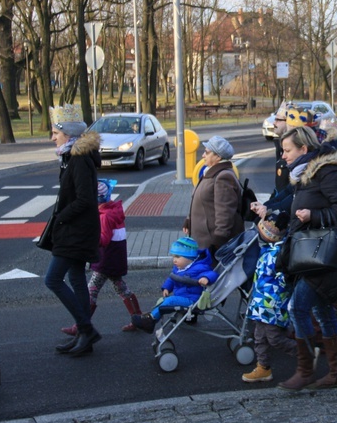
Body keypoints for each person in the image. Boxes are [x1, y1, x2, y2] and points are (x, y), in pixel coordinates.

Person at [277, 126, 337, 391]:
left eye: (287, 150)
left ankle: (305, 371)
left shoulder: (324, 171)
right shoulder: (303, 175)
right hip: (314, 255)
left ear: (303, 149)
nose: (283, 155)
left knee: (297, 308)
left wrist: (314, 217)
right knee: (322, 311)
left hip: (326, 255)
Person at [46, 104, 103, 357]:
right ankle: (84, 336)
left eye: (55, 133)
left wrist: (60, 218)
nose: (52, 138)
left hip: (76, 231)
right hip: (78, 229)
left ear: (67, 134)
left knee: (53, 279)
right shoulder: (71, 156)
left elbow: (85, 200)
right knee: (77, 279)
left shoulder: (78, 159)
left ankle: (86, 329)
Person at [60, 179, 141, 336]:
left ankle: (80, 326)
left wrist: (87, 239)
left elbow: (102, 239)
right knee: (121, 288)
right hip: (114, 258)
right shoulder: (113, 210)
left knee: (91, 291)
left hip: (106, 259)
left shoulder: (104, 217)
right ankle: (138, 318)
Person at [242, 211, 297, 383]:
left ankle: (304, 354)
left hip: (272, 305)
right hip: (261, 304)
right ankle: (263, 368)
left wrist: (275, 295)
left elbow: (283, 280)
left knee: (275, 338)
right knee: (260, 337)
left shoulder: (277, 254)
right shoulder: (267, 250)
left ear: (269, 236)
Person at [131, 237, 218, 333]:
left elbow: (212, 273)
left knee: (170, 301)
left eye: (177, 257)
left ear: (189, 258)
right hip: (182, 296)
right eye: (173, 257)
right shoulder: (180, 267)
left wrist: (206, 278)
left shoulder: (199, 267)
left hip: (192, 299)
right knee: (163, 301)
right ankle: (151, 319)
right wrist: (167, 287)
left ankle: (150, 319)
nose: (174, 260)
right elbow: (172, 278)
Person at [183, 136, 243, 258]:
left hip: (211, 243)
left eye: (206, 152)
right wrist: (189, 220)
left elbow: (225, 213)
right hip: (204, 240)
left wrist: (217, 243)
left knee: (212, 275)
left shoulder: (223, 177)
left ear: (218, 156)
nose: (203, 156)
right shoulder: (210, 173)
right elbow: (199, 199)